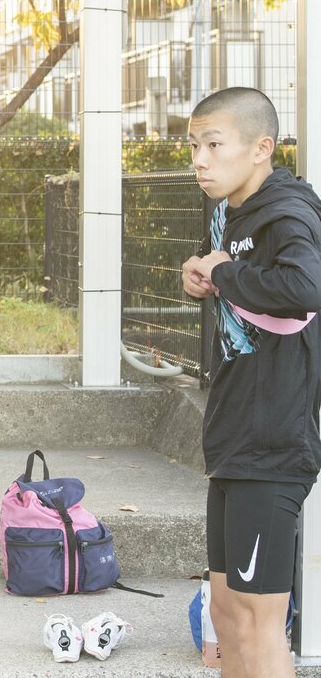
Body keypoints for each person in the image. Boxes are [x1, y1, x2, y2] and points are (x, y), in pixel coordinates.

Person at [182, 87, 321, 678]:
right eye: (194, 145)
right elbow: (230, 272)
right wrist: (201, 274)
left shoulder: (287, 210)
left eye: (214, 144)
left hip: (274, 444)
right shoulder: (226, 211)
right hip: (233, 440)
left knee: (261, 624)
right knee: (226, 612)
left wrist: (227, 272)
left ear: (262, 148)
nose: (200, 159)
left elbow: (303, 288)